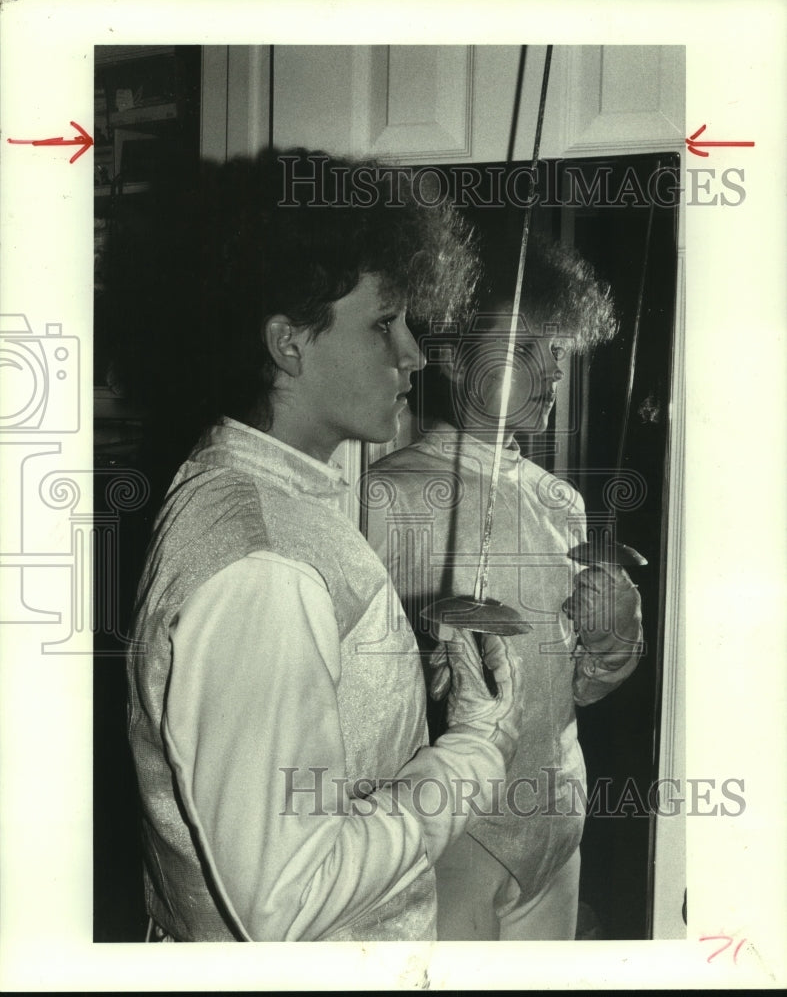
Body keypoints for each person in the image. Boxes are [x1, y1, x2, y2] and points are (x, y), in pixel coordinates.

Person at [122, 149, 528, 942]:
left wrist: (392, 690)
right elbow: (286, 897)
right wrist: (475, 752)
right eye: (383, 325)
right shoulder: (265, 561)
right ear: (289, 344)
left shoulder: (239, 482)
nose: (413, 354)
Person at [366, 236, 644, 941]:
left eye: (556, 353)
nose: (550, 373)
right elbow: (365, 691)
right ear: (457, 357)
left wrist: (614, 638)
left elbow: (575, 684)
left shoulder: (560, 502)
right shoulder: (387, 495)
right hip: (455, 827)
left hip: (554, 818)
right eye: (525, 350)